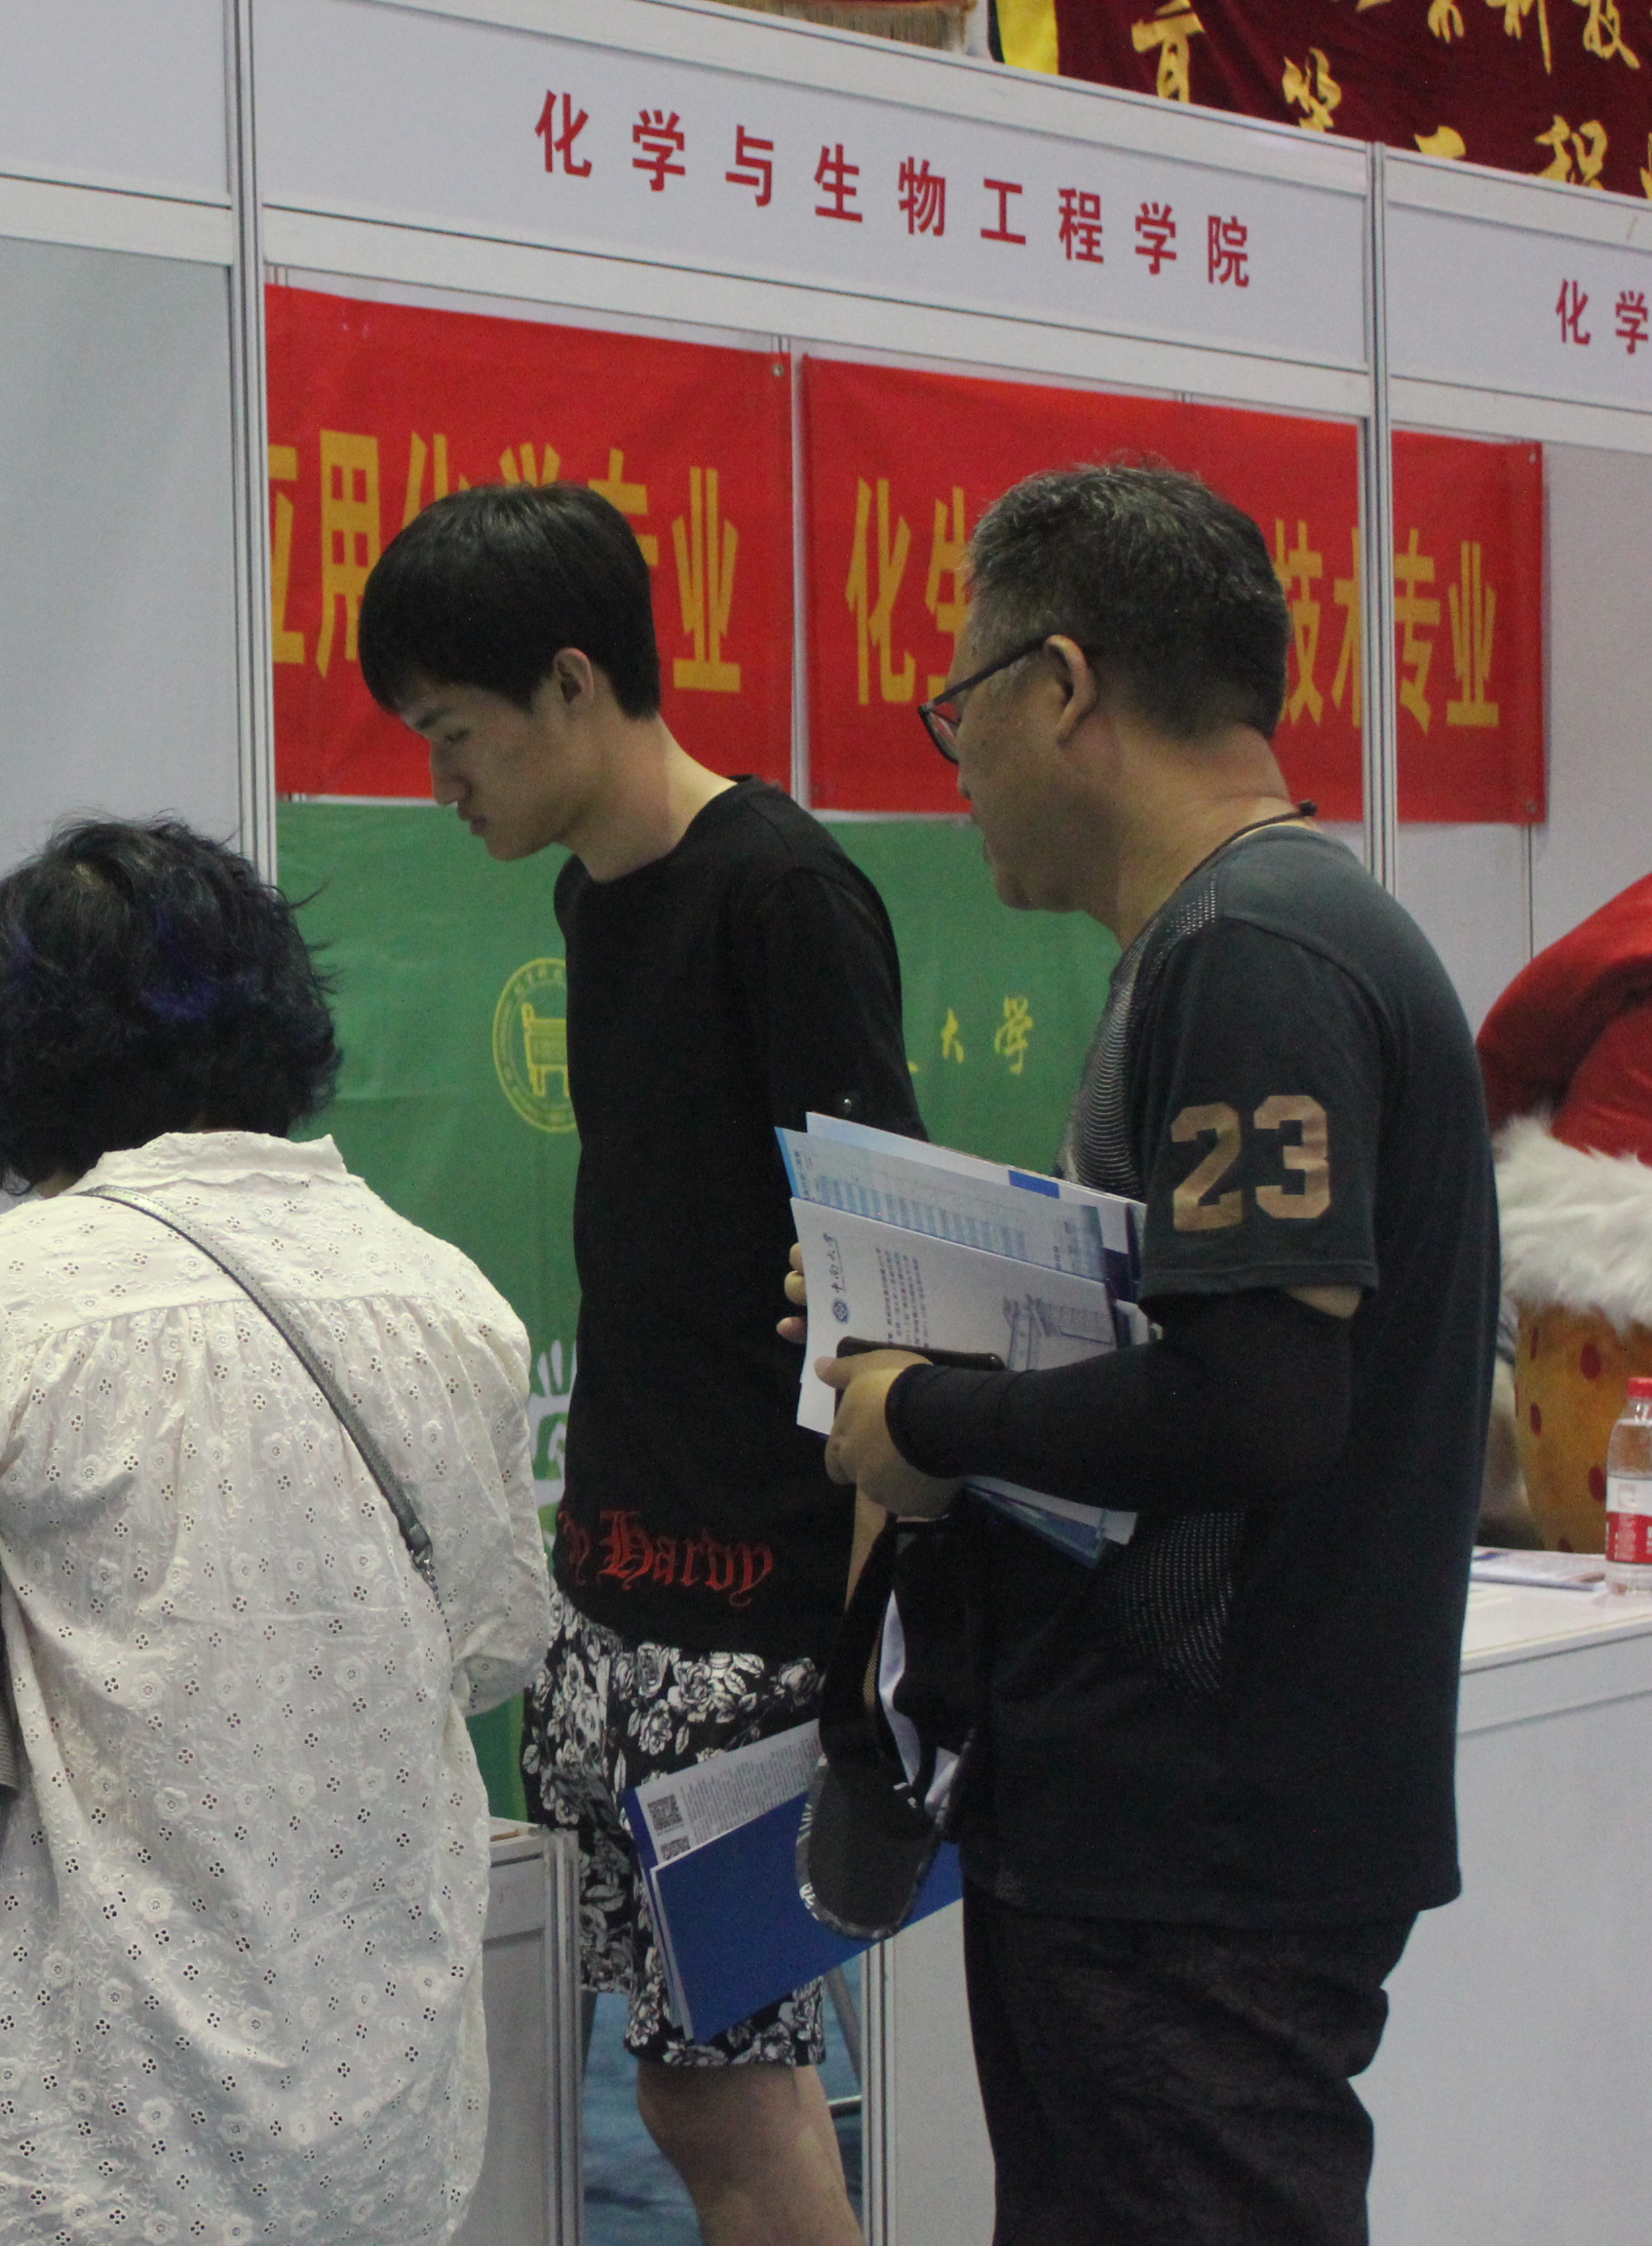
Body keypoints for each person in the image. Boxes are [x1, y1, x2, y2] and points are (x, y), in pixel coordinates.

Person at [811, 462, 1496, 2245]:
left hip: (1200, 1839)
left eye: (959, 705)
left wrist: (925, 1413)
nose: (955, 761)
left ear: (1061, 687)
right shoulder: (1247, 935)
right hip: (1186, 1822)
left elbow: (1255, 1404)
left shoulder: (1250, 951)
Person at [0, 817, 553, 2246]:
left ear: (6, 1059)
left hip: (86, 2105)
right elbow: (501, 1644)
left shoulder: (1, 1296)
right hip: (381, 2090)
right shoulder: (444, 1291)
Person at [358, 482, 920, 2246]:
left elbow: (891, 1279)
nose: (441, 782)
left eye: (454, 734)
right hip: (618, 1592)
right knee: (686, 2088)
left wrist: (861, 1659)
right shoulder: (596, 903)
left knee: (725, 2092)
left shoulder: (782, 892)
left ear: (572, 682)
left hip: (756, 1611)